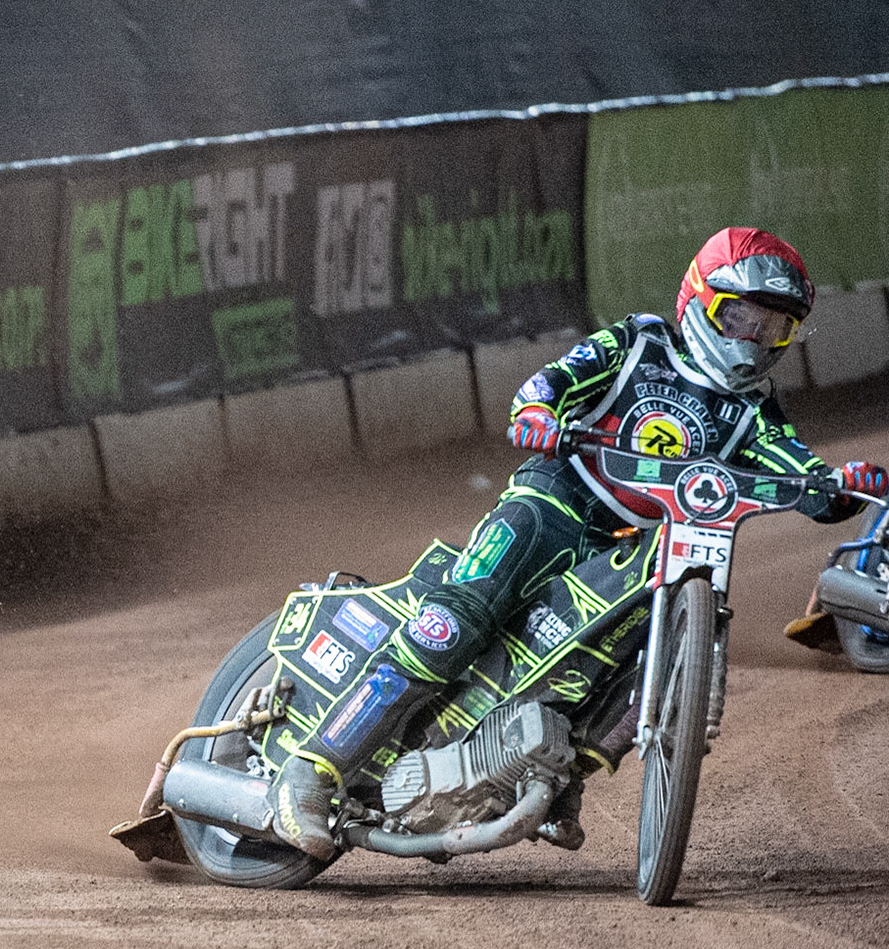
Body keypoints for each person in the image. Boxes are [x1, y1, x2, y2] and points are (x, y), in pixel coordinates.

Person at [266, 227, 889, 860]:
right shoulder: (639, 341)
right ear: (699, 300)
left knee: (637, 651)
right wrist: (538, 415)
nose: (753, 340)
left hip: (635, 543)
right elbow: (550, 384)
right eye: (741, 316)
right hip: (553, 501)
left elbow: (802, 475)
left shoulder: (757, 411)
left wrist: (841, 488)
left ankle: (554, 778)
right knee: (453, 623)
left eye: (775, 327)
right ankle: (312, 770)